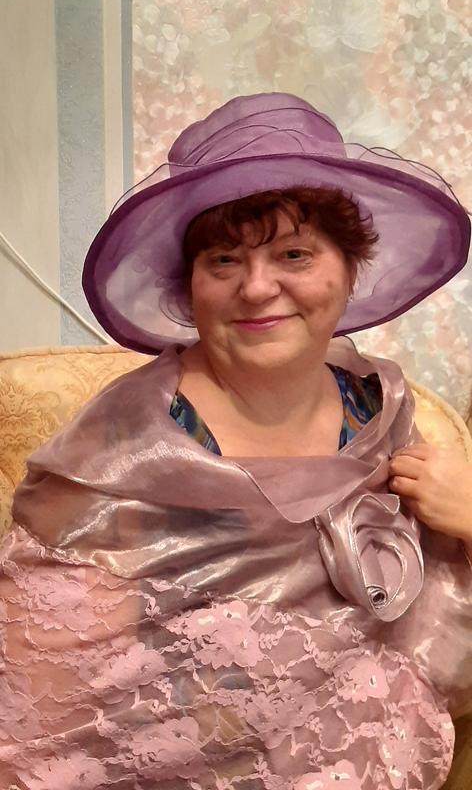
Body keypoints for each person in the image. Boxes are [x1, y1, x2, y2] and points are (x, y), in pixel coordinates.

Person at [1, 92, 471, 790]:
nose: (257, 287)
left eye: (294, 254)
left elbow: (428, 629)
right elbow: (46, 707)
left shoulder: (383, 411)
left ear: (349, 272)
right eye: (224, 260)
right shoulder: (125, 444)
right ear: (190, 288)